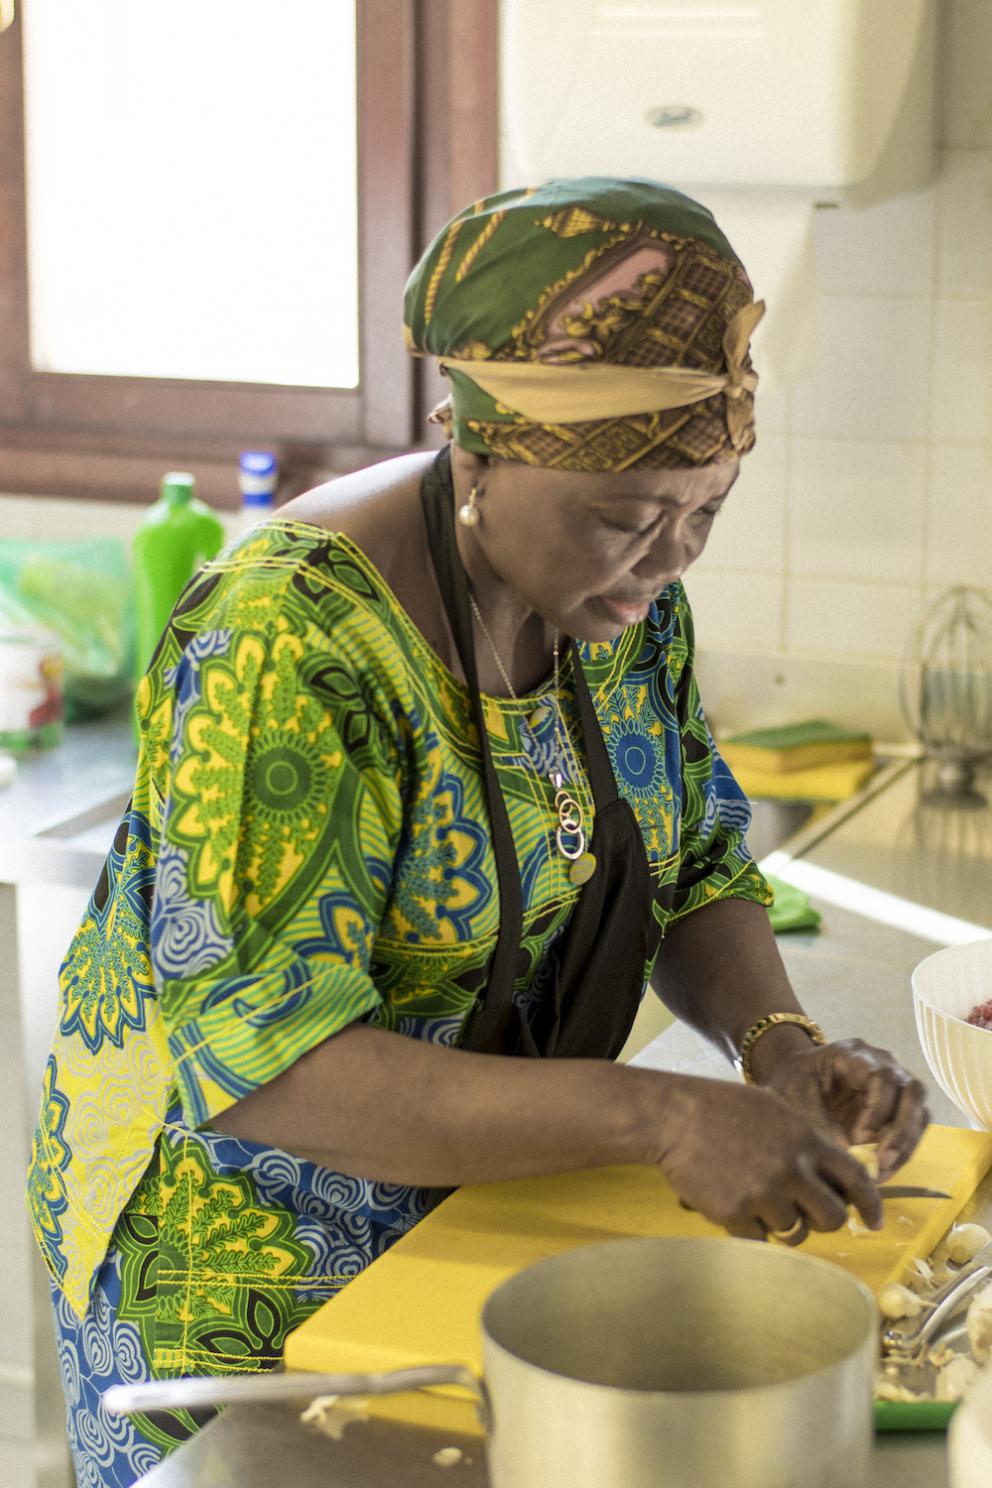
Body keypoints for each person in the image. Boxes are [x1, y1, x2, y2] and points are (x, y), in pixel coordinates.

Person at [27, 177, 928, 1486]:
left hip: (487, 1210)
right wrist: (661, 1118)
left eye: (706, 513)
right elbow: (271, 1066)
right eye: (624, 519)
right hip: (238, 1270)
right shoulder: (291, 639)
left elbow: (694, 861)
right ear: (476, 453)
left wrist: (778, 1048)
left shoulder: (622, 604)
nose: (668, 560)